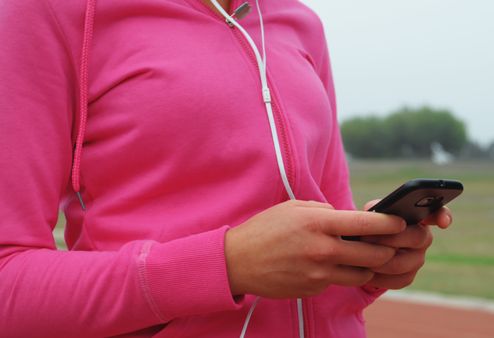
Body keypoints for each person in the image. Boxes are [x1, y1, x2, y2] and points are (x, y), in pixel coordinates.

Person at [0, 0, 453, 337]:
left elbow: (326, 232)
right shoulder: (49, 11)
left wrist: (371, 260)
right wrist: (226, 265)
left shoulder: (298, 22)